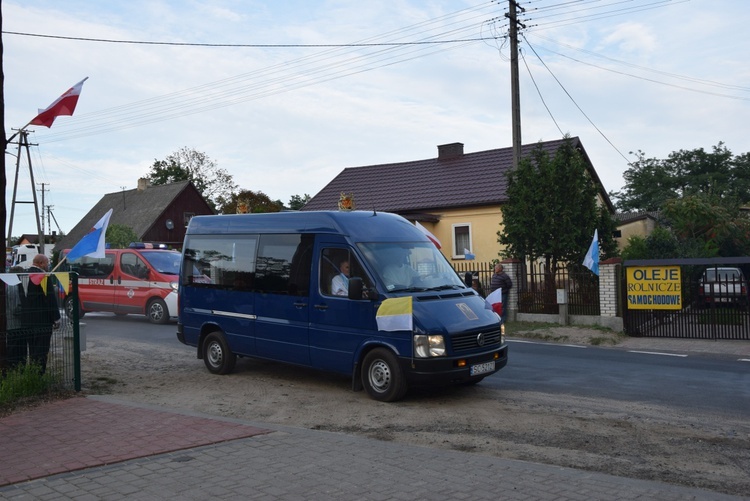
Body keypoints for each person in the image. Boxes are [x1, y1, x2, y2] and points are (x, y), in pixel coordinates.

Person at [18, 254, 61, 373]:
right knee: (41, 351)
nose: (48, 265)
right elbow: (50, 299)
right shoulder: (43, 277)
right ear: (41, 263)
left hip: (26, 320)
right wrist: (56, 318)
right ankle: (38, 375)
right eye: (47, 263)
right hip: (42, 321)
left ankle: (31, 373)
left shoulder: (23, 275)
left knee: (32, 350)